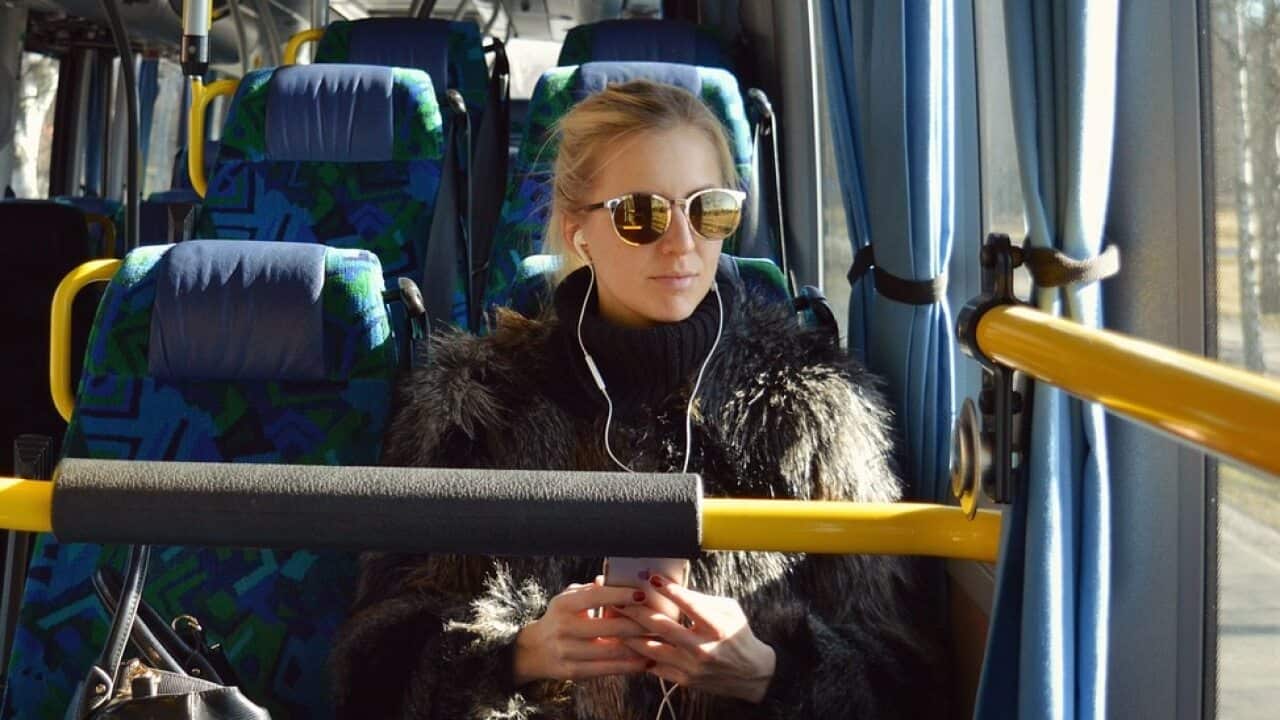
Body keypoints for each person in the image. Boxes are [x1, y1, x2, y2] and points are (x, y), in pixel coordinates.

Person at [331, 79, 945, 719]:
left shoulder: (812, 412)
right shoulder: (472, 409)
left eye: (708, 210)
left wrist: (770, 672)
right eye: (642, 214)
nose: (681, 243)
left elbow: (903, 679)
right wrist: (520, 656)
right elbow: (371, 672)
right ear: (579, 232)